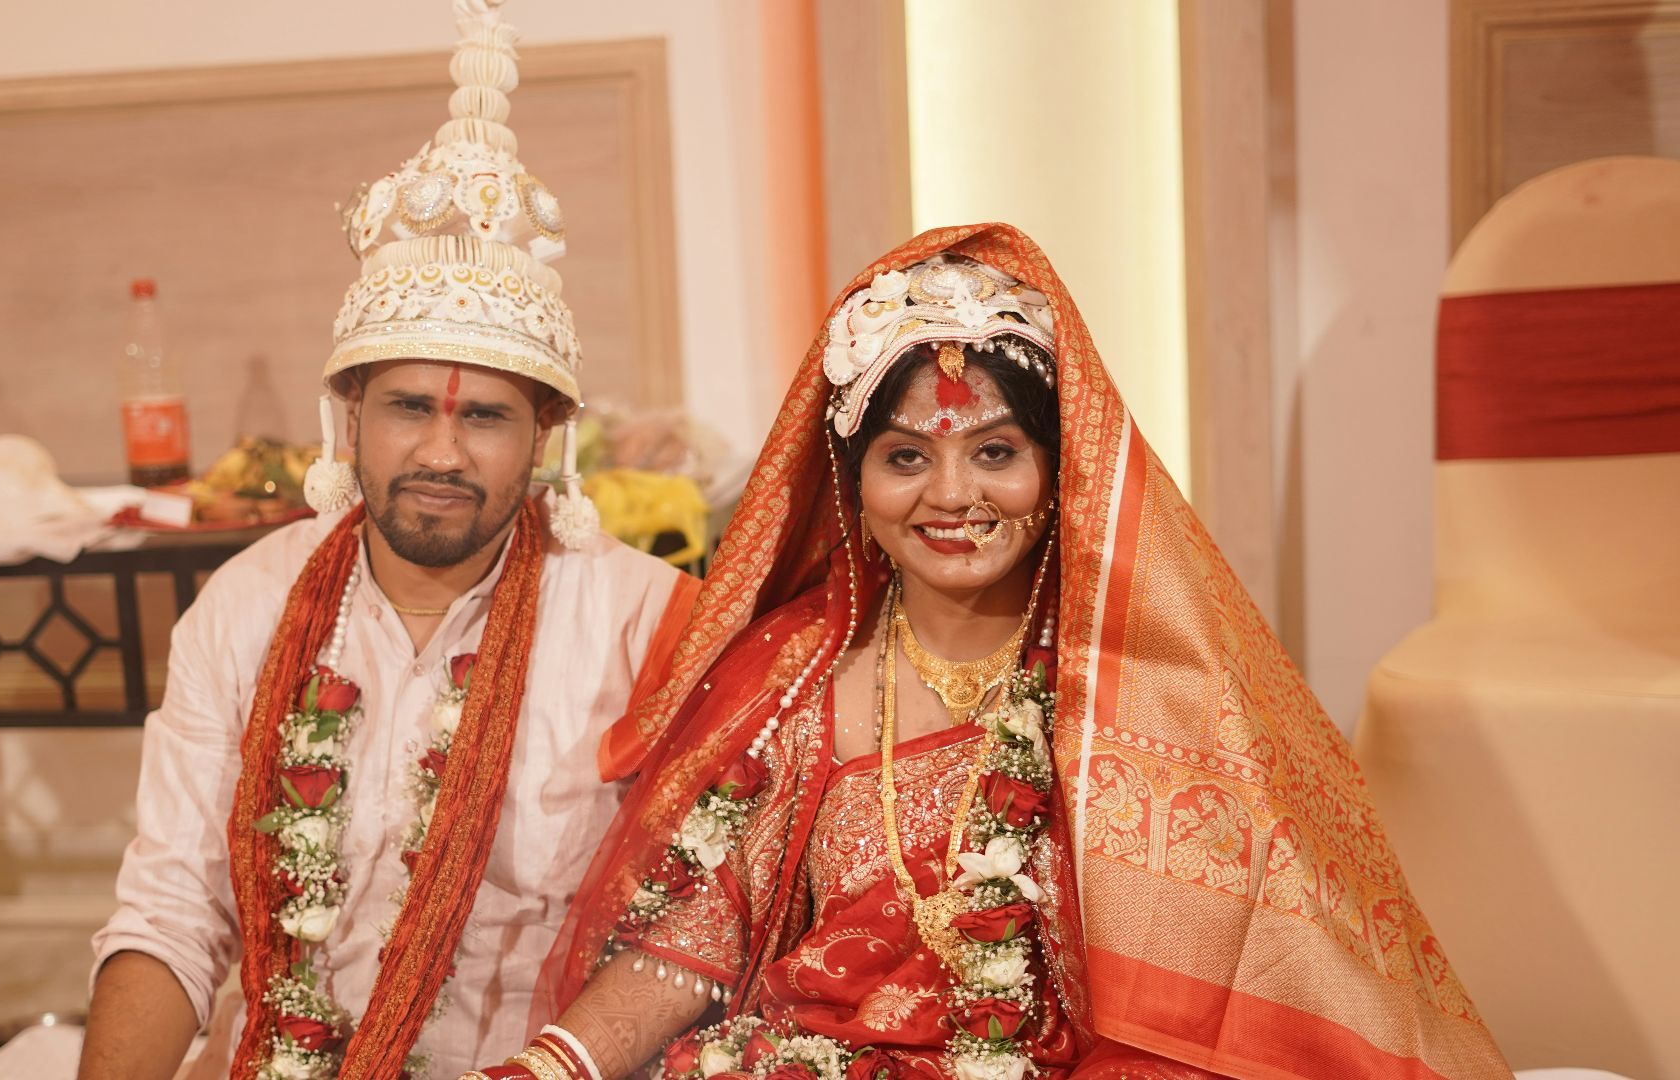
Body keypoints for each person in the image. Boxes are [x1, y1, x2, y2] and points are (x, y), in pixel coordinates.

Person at [463, 225, 1511, 1080]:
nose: (952, 497)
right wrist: (553, 1067)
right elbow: (698, 932)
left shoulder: (1147, 681)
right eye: (905, 456)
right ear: (854, 483)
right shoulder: (792, 675)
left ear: (1062, 473)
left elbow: (1260, 965)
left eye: (997, 453)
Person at [76, 3, 696, 1078]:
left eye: (487, 417)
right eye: (410, 407)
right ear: (348, 415)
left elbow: (693, 932)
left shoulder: (645, 619)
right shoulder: (247, 606)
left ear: (547, 435)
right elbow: (173, 910)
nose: (442, 453)